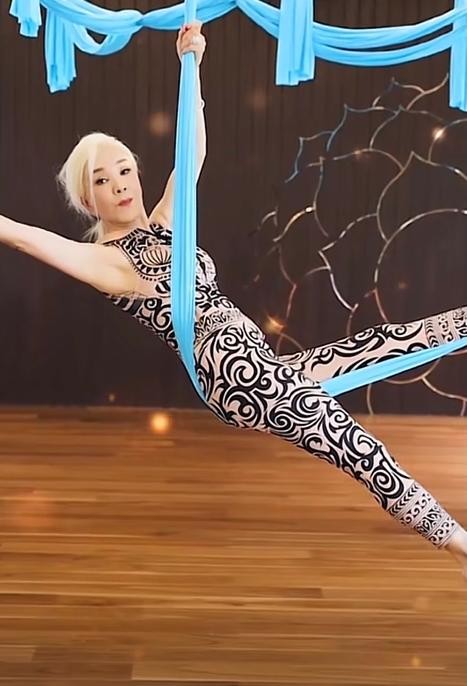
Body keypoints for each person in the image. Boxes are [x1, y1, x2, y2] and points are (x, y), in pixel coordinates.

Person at [1, 22, 466, 578]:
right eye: (102, 180)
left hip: (264, 365)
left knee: (389, 340)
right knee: (354, 443)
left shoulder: (167, 223)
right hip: (232, 377)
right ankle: (457, 544)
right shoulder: (107, 261)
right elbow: (25, 237)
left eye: (124, 170)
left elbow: (193, 151)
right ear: (87, 198)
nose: (120, 184)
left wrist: (191, 64)